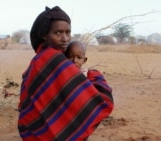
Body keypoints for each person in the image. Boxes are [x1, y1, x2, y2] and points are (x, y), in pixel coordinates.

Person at [18, 6, 114, 141]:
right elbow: (101, 101)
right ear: (44, 35)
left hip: (33, 130)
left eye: (68, 33)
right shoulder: (53, 59)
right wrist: (94, 77)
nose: (65, 38)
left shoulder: (42, 57)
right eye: (58, 33)